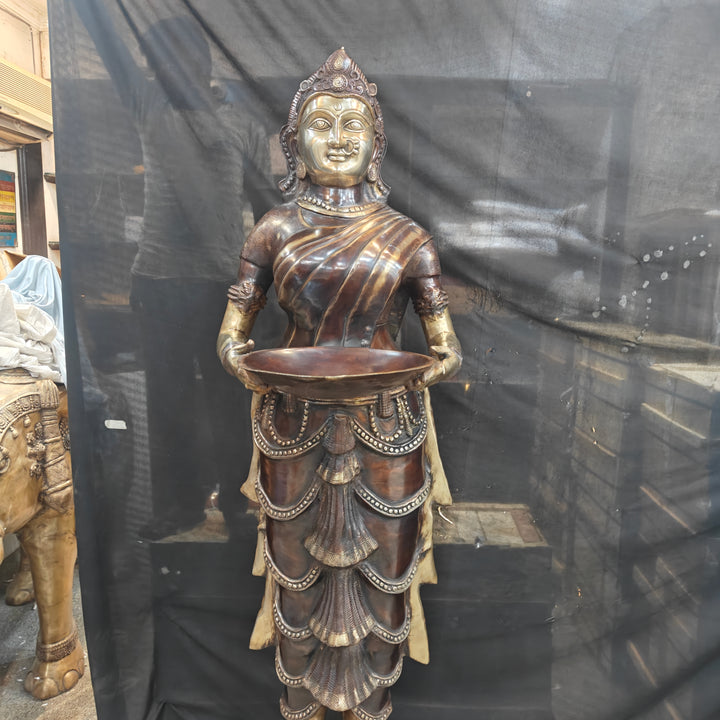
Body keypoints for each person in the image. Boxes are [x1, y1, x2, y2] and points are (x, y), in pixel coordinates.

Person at [217, 49, 461, 720]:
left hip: (387, 425)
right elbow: (233, 333)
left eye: (354, 124)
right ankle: (301, 705)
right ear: (294, 141)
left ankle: (371, 706)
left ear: (376, 143)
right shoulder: (273, 230)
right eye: (321, 124)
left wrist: (417, 368)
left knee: (385, 580)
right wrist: (243, 361)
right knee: (296, 580)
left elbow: (445, 349)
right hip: (293, 421)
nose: (339, 138)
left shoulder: (408, 238)